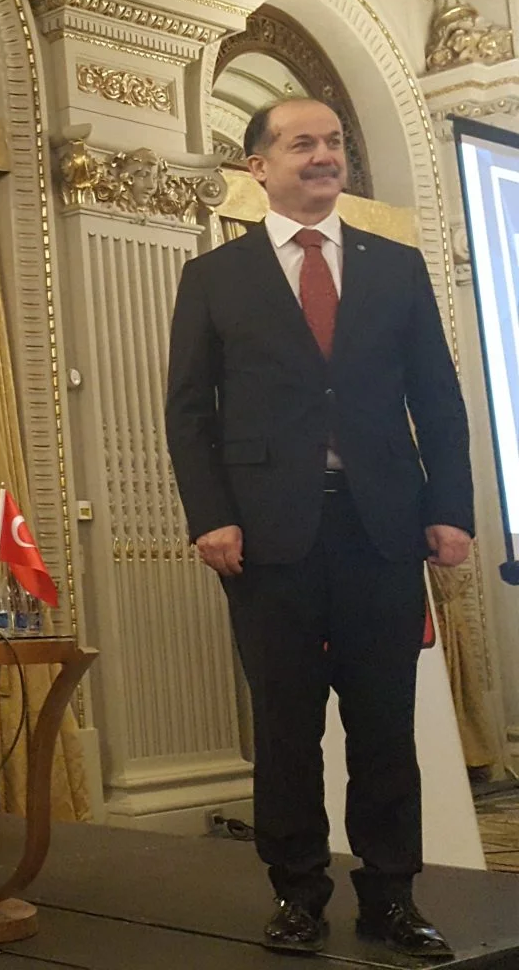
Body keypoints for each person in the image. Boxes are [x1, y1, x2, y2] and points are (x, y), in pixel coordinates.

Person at [165, 98, 472, 959]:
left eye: (333, 141)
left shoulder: (396, 268)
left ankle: (392, 897)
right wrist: (211, 516)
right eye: (303, 143)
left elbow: (438, 400)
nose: (324, 155)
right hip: (268, 539)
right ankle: (298, 895)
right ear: (258, 166)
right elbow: (189, 414)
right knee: (286, 728)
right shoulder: (214, 278)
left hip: (382, 530)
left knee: (385, 727)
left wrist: (450, 508)